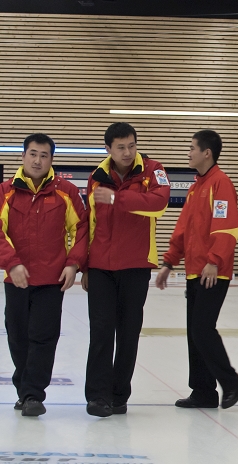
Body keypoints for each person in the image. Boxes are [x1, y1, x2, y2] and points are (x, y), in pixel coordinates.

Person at [82, 122, 170, 417]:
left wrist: (119, 199)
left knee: (128, 333)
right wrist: (85, 266)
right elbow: (89, 223)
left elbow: (159, 204)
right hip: (101, 267)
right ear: (108, 149)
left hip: (135, 266)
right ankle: (97, 396)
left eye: (132, 145)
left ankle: (119, 395)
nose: (128, 152)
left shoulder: (153, 170)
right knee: (101, 331)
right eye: (120, 147)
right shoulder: (97, 177)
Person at [0, 133, 87, 416]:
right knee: (17, 336)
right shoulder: (5, 192)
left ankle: (33, 395)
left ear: (51, 159)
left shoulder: (66, 192)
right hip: (16, 279)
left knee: (43, 337)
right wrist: (11, 263)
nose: (38, 160)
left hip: (51, 280)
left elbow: (82, 229)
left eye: (44, 155)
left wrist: (73, 263)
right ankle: (24, 390)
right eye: (33, 154)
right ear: (23, 156)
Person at [155, 130, 238, 410]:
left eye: (192, 148)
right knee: (195, 332)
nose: (188, 152)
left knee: (203, 329)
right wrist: (169, 262)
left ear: (207, 153)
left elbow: (227, 227)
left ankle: (230, 382)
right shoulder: (197, 187)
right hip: (195, 271)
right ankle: (203, 391)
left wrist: (214, 260)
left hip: (212, 272)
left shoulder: (221, 184)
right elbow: (183, 229)